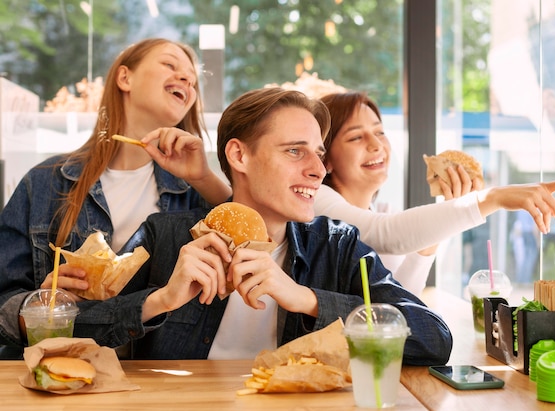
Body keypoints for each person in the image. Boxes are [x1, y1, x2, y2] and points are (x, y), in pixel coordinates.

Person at [0, 87, 453, 366]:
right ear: (239, 156)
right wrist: (160, 300)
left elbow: (434, 337)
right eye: (295, 151)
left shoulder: (337, 245)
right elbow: (67, 333)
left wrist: (307, 299)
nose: (318, 169)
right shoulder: (165, 237)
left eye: (318, 153)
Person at [0, 38, 230, 356]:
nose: (186, 80)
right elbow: (4, 300)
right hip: (62, 375)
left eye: (192, 79)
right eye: (170, 65)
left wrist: (203, 178)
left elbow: (251, 243)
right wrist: (46, 304)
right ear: (125, 78)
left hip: (161, 382)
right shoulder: (44, 183)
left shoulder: (197, 191)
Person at [314, 91, 555, 296]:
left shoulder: (381, 210)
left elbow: (400, 298)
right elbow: (386, 234)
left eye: (379, 132)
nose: (376, 145)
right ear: (325, 159)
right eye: (356, 137)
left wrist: (447, 213)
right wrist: (493, 197)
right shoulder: (317, 202)